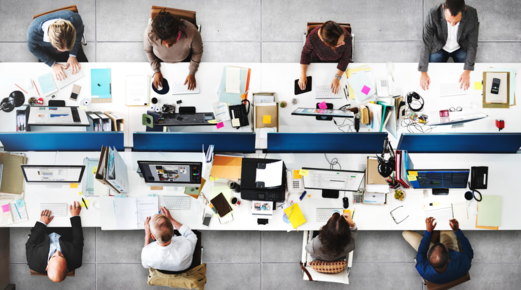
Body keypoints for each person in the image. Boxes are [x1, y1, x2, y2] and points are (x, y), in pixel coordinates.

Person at [419, 0, 479, 91]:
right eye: (448, 21)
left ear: (464, 10)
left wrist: (467, 72)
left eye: (456, 22)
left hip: (460, 47)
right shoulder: (433, 13)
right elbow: (426, 43)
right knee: (432, 78)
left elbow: (472, 45)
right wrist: (423, 73)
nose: (452, 24)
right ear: (443, 8)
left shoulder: (472, 14)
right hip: (439, 47)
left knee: (467, 81)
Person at [144, 11, 203, 91]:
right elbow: (148, 51)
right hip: (160, 61)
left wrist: (191, 73)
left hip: (184, 60)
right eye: (163, 43)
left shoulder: (192, 32)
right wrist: (156, 71)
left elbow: (197, 52)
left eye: (171, 43)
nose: (168, 47)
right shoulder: (149, 33)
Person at [25, 201, 84, 283]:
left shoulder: (34, 263)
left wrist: (42, 223)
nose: (58, 252)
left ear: (47, 267)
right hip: (64, 227)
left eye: (53, 256)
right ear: (67, 268)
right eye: (62, 256)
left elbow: (30, 243)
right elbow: (78, 239)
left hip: (43, 229)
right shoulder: (76, 261)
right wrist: (75, 216)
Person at [403, 218, 474, 284]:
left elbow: (422, 251)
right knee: (447, 221)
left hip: (439, 277)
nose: (441, 243)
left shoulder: (422, 268)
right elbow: (468, 249)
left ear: (427, 256)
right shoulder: (463, 263)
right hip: (452, 260)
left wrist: (428, 232)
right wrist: (457, 230)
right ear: (449, 259)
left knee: (405, 233)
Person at [27, 10, 87, 81]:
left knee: (86, 75)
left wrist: (72, 55)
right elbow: (33, 49)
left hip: (73, 49)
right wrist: (52, 64)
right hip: (48, 53)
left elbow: (79, 33)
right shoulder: (33, 33)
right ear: (50, 41)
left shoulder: (76, 20)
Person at [299, 21, 352, 94]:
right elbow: (305, 53)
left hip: (338, 62)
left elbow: (346, 58)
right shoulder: (312, 38)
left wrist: (337, 78)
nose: (343, 43)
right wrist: (303, 74)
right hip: (318, 61)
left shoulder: (347, 36)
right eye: (339, 43)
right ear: (327, 44)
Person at [141, 206, 198, 272]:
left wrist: (147, 236)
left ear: (153, 237)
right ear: (173, 231)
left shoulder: (147, 255)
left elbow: (145, 265)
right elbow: (192, 236)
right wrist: (171, 219)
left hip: (164, 270)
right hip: (184, 267)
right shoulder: (186, 247)